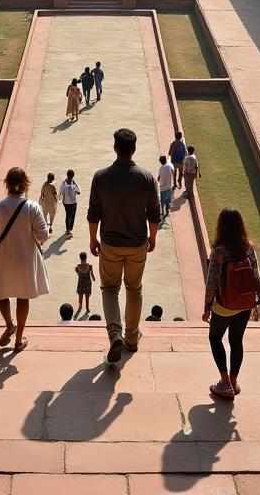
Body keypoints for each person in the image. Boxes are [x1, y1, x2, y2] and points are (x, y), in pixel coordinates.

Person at [87, 128, 161, 364]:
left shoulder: (101, 176)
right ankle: (131, 338)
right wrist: (153, 237)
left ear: (115, 148)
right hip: (137, 242)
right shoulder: (147, 177)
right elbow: (154, 214)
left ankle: (115, 334)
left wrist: (92, 239)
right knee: (134, 288)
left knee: (109, 289)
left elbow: (93, 214)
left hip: (110, 242)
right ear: (134, 149)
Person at [0, 167, 50, 352]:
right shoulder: (32, 207)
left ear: (6, 184)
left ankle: (9, 324)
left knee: (1, 293)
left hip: (3, 257)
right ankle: (19, 339)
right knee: (23, 296)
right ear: (26, 184)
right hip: (25, 258)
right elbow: (43, 234)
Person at [203, 207, 260, 399]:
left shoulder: (219, 251)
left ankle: (225, 382)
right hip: (245, 302)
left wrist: (207, 306)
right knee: (236, 341)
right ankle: (234, 382)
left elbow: (212, 281)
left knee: (215, 338)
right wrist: (257, 300)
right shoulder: (249, 247)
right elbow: (257, 275)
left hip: (225, 304)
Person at [60, 169, 80, 237]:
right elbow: (78, 192)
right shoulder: (73, 182)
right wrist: (74, 190)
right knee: (71, 216)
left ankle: (68, 229)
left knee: (68, 215)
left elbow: (61, 192)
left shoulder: (63, 183)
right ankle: (69, 229)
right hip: (73, 202)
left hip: (66, 202)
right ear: (73, 176)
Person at [75, 251, 95, 316]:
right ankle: (87, 308)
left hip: (81, 283)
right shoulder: (90, 266)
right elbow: (92, 276)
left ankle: (80, 307)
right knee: (87, 297)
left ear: (80, 258)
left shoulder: (77, 267)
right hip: (88, 283)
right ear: (86, 258)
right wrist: (94, 279)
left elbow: (79, 275)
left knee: (80, 297)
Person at [157, 154, 175, 222]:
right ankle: (167, 209)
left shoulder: (161, 168)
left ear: (160, 162)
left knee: (162, 200)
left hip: (162, 187)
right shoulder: (169, 167)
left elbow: (159, 178)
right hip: (168, 186)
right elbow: (172, 172)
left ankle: (162, 211)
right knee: (167, 199)